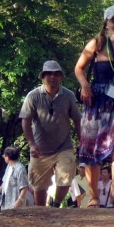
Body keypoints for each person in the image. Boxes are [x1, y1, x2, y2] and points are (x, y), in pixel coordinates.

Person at [74, 5, 114, 207]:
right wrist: (84, 86)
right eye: (113, 21)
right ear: (106, 24)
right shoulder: (97, 44)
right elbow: (79, 68)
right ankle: (94, 197)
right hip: (96, 100)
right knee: (91, 148)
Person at [20, 60, 81, 207]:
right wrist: (32, 144)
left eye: (56, 74)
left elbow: (78, 120)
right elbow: (25, 121)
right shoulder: (33, 96)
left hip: (63, 146)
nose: (52, 77)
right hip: (40, 149)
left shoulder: (69, 95)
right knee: (39, 186)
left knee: (66, 176)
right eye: (48, 74)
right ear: (43, 77)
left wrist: (82, 143)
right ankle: (41, 211)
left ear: (61, 77)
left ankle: (56, 204)